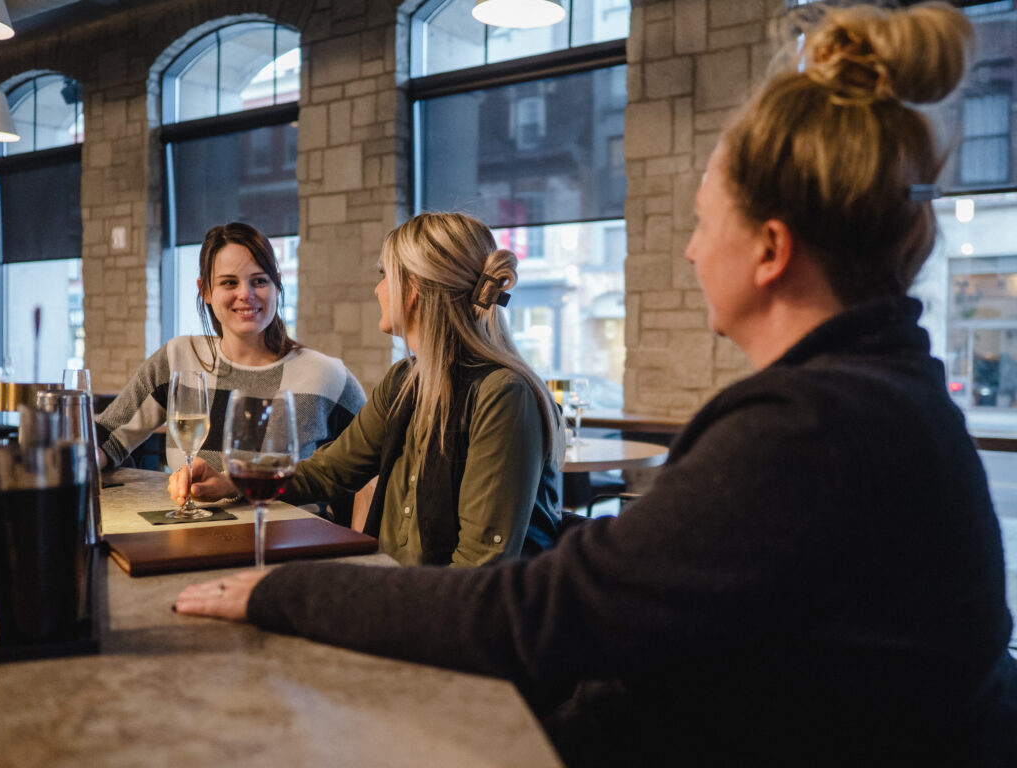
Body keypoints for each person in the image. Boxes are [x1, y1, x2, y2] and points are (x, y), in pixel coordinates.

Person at [176, 4, 1017, 765]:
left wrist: (283, 593)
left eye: (700, 220)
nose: (688, 251)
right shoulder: (869, 398)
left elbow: (539, 614)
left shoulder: (815, 428)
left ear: (770, 247)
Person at [172, 212, 564, 566]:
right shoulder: (404, 382)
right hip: (401, 595)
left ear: (414, 290)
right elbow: (330, 471)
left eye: (384, 275)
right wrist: (231, 482)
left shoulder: (503, 395)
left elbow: (479, 567)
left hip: (452, 621)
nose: (378, 290)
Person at [96, 222, 366, 519]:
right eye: (228, 283)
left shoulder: (327, 376)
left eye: (259, 281)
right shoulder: (178, 358)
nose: (246, 294)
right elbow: (107, 435)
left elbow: (373, 465)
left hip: (293, 548)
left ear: (277, 286)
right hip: (193, 540)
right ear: (206, 290)